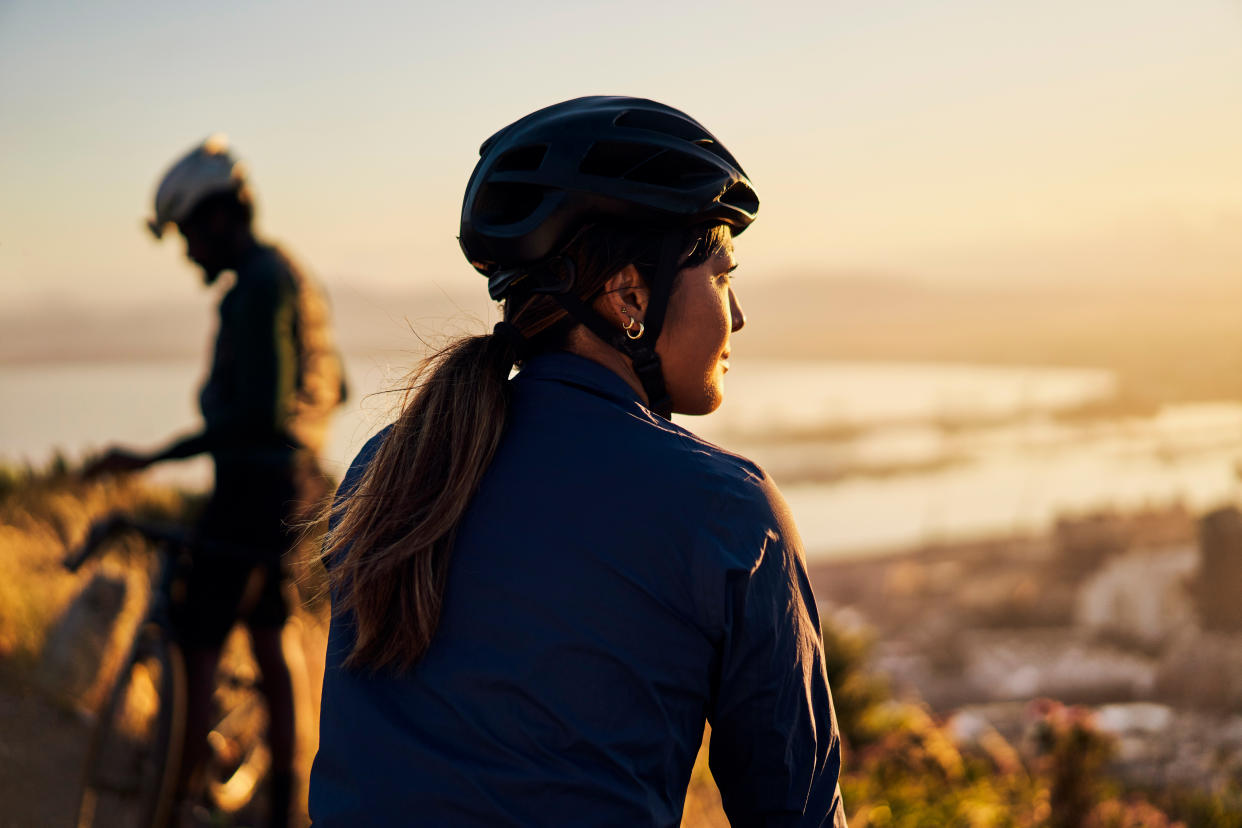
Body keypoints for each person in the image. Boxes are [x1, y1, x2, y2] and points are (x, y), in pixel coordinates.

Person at [310, 97, 845, 825]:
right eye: (722, 275)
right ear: (630, 294)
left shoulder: (388, 469)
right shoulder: (723, 508)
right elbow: (795, 812)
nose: (738, 314)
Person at [86, 134, 347, 828]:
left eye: (187, 234)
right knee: (269, 635)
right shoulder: (283, 274)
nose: (188, 252)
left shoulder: (256, 289)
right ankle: (288, 801)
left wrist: (151, 457)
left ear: (217, 218)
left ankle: (174, 796)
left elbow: (256, 415)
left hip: (251, 493)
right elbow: (327, 388)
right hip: (291, 490)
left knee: (197, 642)